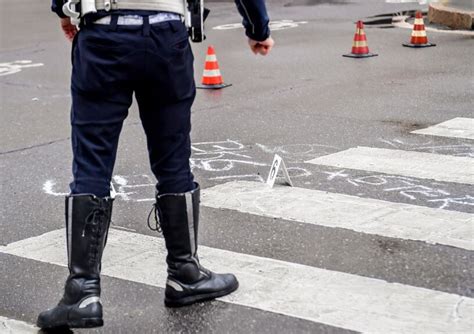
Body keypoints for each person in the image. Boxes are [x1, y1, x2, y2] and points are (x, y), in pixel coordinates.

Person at [37, 0, 274, 330]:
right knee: (173, 159)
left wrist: (63, 11)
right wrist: (257, 28)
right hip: (166, 36)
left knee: (92, 162)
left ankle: (82, 292)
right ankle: (185, 272)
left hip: (102, 31)